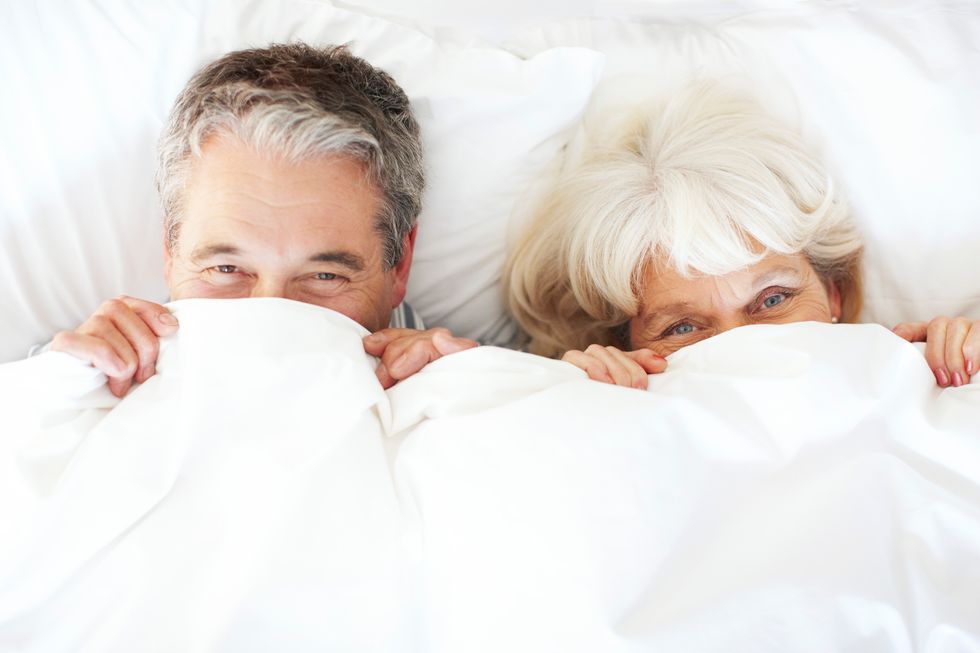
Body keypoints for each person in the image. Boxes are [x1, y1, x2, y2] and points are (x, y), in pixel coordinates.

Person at [44, 43, 475, 397]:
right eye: (226, 269)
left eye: (325, 276)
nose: (270, 317)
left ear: (399, 264)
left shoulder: (481, 398)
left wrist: (482, 411)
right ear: (171, 252)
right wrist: (57, 394)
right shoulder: (75, 384)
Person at [505, 82, 979, 389]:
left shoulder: (926, 379)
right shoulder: (597, 401)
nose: (742, 350)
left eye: (772, 299)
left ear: (834, 294)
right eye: (683, 328)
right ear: (625, 345)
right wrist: (572, 406)